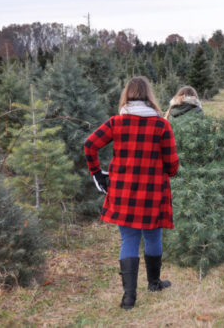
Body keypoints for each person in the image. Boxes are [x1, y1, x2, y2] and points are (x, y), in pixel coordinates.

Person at [84, 76, 179, 310]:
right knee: (153, 237)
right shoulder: (161, 125)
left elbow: (89, 145)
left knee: (129, 239)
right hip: (153, 191)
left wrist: (97, 174)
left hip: (122, 191)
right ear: (149, 96)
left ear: (126, 95)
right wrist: (167, 169)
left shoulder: (116, 122)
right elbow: (172, 166)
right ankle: (154, 283)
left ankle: (129, 298)